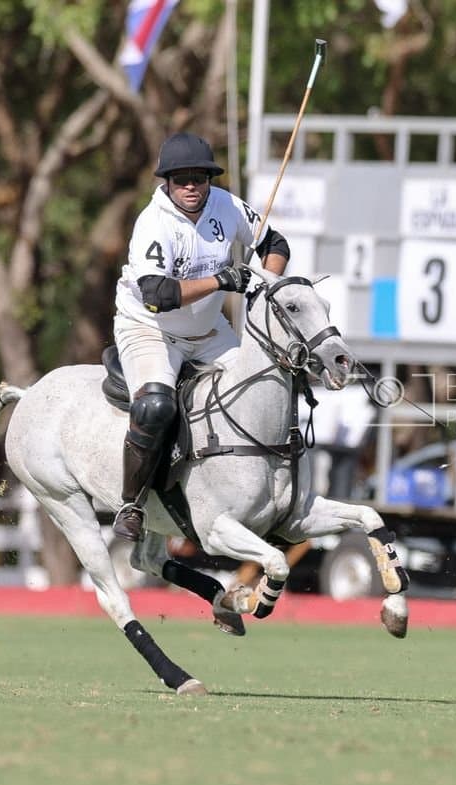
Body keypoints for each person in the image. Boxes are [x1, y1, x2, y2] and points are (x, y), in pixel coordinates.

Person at [111, 132, 290, 541]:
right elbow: (158, 296)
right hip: (151, 330)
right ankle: (131, 503)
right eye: (181, 179)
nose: (192, 186)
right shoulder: (153, 223)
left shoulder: (225, 205)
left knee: (260, 387)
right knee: (155, 406)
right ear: (167, 183)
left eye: (200, 177)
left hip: (209, 331)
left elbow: (274, 243)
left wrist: (265, 282)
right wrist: (221, 280)